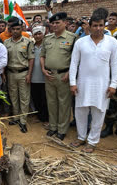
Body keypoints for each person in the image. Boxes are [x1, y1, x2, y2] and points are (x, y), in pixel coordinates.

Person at [69, 14, 117, 153]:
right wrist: (72, 83)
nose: (98, 28)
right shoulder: (81, 42)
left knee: (99, 113)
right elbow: (74, 63)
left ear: (104, 26)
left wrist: (113, 84)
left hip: (103, 85)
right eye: (95, 26)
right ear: (89, 27)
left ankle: (92, 141)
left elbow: (115, 65)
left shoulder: (112, 42)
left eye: (101, 25)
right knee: (80, 111)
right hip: (82, 84)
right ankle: (80, 137)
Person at [40, 12, 77, 140]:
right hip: (49, 75)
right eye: (53, 23)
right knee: (51, 102)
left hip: (63, 76)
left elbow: (75, 59)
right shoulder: (47, 38)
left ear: (65, 23)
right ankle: (53, 127)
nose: (54, 25)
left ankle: (62, 129)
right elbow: (42, 55)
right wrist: (43, 69)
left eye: (58, 23)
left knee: (64, 103)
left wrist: (69, 73)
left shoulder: (72, 38)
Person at [4, 18, 35, 133]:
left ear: (22, 29)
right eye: (14, 29)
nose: (16, 31)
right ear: (10, 30)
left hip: (23, 73)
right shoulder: (6, 43)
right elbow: (4, 59)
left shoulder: (27, 42)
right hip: (10, 73)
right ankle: (16, 117)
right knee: (13, 97)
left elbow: (31, 59)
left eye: (18, 29)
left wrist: (29, 74)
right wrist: (3, 73)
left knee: (24, 98)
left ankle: (23, 120)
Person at [31, 26, 49, 125]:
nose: (38, 36)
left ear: (43, 34)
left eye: (39, 33)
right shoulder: (31, 46)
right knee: (36, 98)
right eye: (35, 34)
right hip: (34, 77)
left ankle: (46, 119)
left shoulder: (47, 46)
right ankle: (39, 116)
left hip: (44, 77)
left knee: (44, 99)